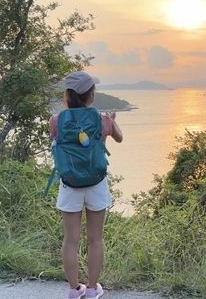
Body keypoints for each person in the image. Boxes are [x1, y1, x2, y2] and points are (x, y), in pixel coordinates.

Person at [49, 71, 123, 299]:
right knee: (95, 239)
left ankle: (74, 289)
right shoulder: (102, 119)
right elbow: (119, 138)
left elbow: (55, 144)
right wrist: (111, 123)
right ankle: (92, 288)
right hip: (96, 184)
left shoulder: (56, 120)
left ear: (68, 95)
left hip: (69, 183)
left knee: (70, 239)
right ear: (91, 95)